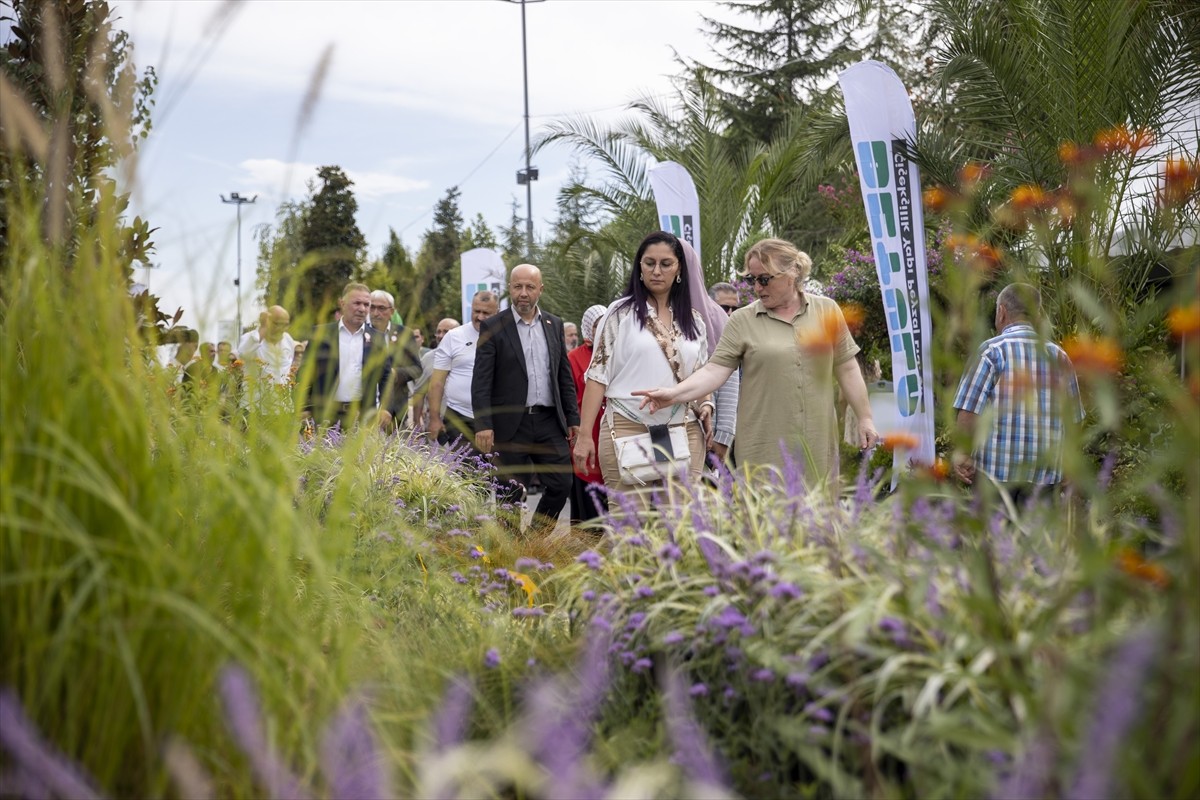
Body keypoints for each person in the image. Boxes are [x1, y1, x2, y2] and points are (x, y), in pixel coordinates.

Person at [635, 237, 879, 486]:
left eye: (764, 279)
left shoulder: (827, 311)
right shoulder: (742, 320)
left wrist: (865, 417)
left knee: (818, 520)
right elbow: (714, 371)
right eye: (752, 279)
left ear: (792, 273)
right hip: (764, 448)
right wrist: (674, 394)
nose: (757, 287)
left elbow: (847, 367)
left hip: (817, 444)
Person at [572, 231, 714, 511]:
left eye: (666, 263)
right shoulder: (619, 314)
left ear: (679, 269)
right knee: (628, 527)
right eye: (649, 263)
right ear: (639, 268)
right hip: (626, 425)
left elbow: (701, 375)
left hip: (683, 427)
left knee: (680, 524)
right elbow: (597, 377)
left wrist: (706, 404)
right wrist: (584, 435)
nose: (657, 271)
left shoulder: (694, 321)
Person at [472, 265, 580, 532]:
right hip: (510, 425)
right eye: (518, 286)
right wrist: (483, 424)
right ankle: (508, 553)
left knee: (561, 484)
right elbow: (481, 381)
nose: (523, 293)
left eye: (529, 287)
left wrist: (572, 418)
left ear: (540, 290)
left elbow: (563, 376)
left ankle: (534, 538)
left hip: (548, 421)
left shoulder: (553, 324)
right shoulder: (493, 326)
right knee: (509, 492)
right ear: (510, 288)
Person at [952, 283, 1083, 502]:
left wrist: (963, 455)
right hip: (1045, 480)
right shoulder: (1060, 357)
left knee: (995, 536)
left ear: (1001, 312)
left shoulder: (992, 351)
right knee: (1038, 537)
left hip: (995, 477)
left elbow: (970, 410)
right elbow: (1074, 421)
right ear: (1038, 315)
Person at [303, 282, 399, 431]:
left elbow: (386, 377)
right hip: (324, 414)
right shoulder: (320, 334)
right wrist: (303, 407)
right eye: (357, 303)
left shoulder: (377, 339)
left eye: (366, 305)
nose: (362, 309)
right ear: (342, 303)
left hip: (363, 416)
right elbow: (305, 373)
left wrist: (386, 408)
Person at [428, 294, 497, 449]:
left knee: (496, 471)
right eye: (476, 311)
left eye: (486, 313)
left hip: (496, 419)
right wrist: (434, 418)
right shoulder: (453, 337)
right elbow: (437, 382)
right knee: (465, 471)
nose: (480, 317)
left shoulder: (504, 336)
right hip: (459, 417)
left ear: (497, 312)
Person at [568, 304, 609, 523]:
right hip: (587, 430)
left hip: (612, 429)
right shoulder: (574, 358)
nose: (603, 329)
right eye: (597, 325)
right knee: (588, 494)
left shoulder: (618, 353)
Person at [369, 289, 423, 429]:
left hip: (395, 409)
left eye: (381, 308)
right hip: (365, 407)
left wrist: (395, 373)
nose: (376, 313)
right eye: (372, 307)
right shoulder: (360, 332)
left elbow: (417, 369)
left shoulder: (404, 334)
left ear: (392, 311)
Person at [705, 280, 742, 463]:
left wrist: (724, 438)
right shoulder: (701, 333)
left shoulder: (736, 337)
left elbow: (730, 388)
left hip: (723, 441)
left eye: (734, 309)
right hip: (701, 435)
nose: (729, 313)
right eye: (724, 307)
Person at [239, 305, 297, 414]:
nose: (281, 329)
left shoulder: (288, 340)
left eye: (285, 325)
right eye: (277, 324)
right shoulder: (250, 338)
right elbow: (244, 353)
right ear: (267, 321)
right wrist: (263, 329)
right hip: (254, 409)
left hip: (282, 410)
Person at [411, 317, 461, 429]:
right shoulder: (428, 358)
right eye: (438, 331)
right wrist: (416, 424)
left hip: (465, 422)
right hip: (436, 426)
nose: (440, 335)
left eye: (446, 332)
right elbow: (419, 393)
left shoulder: (468, 357)